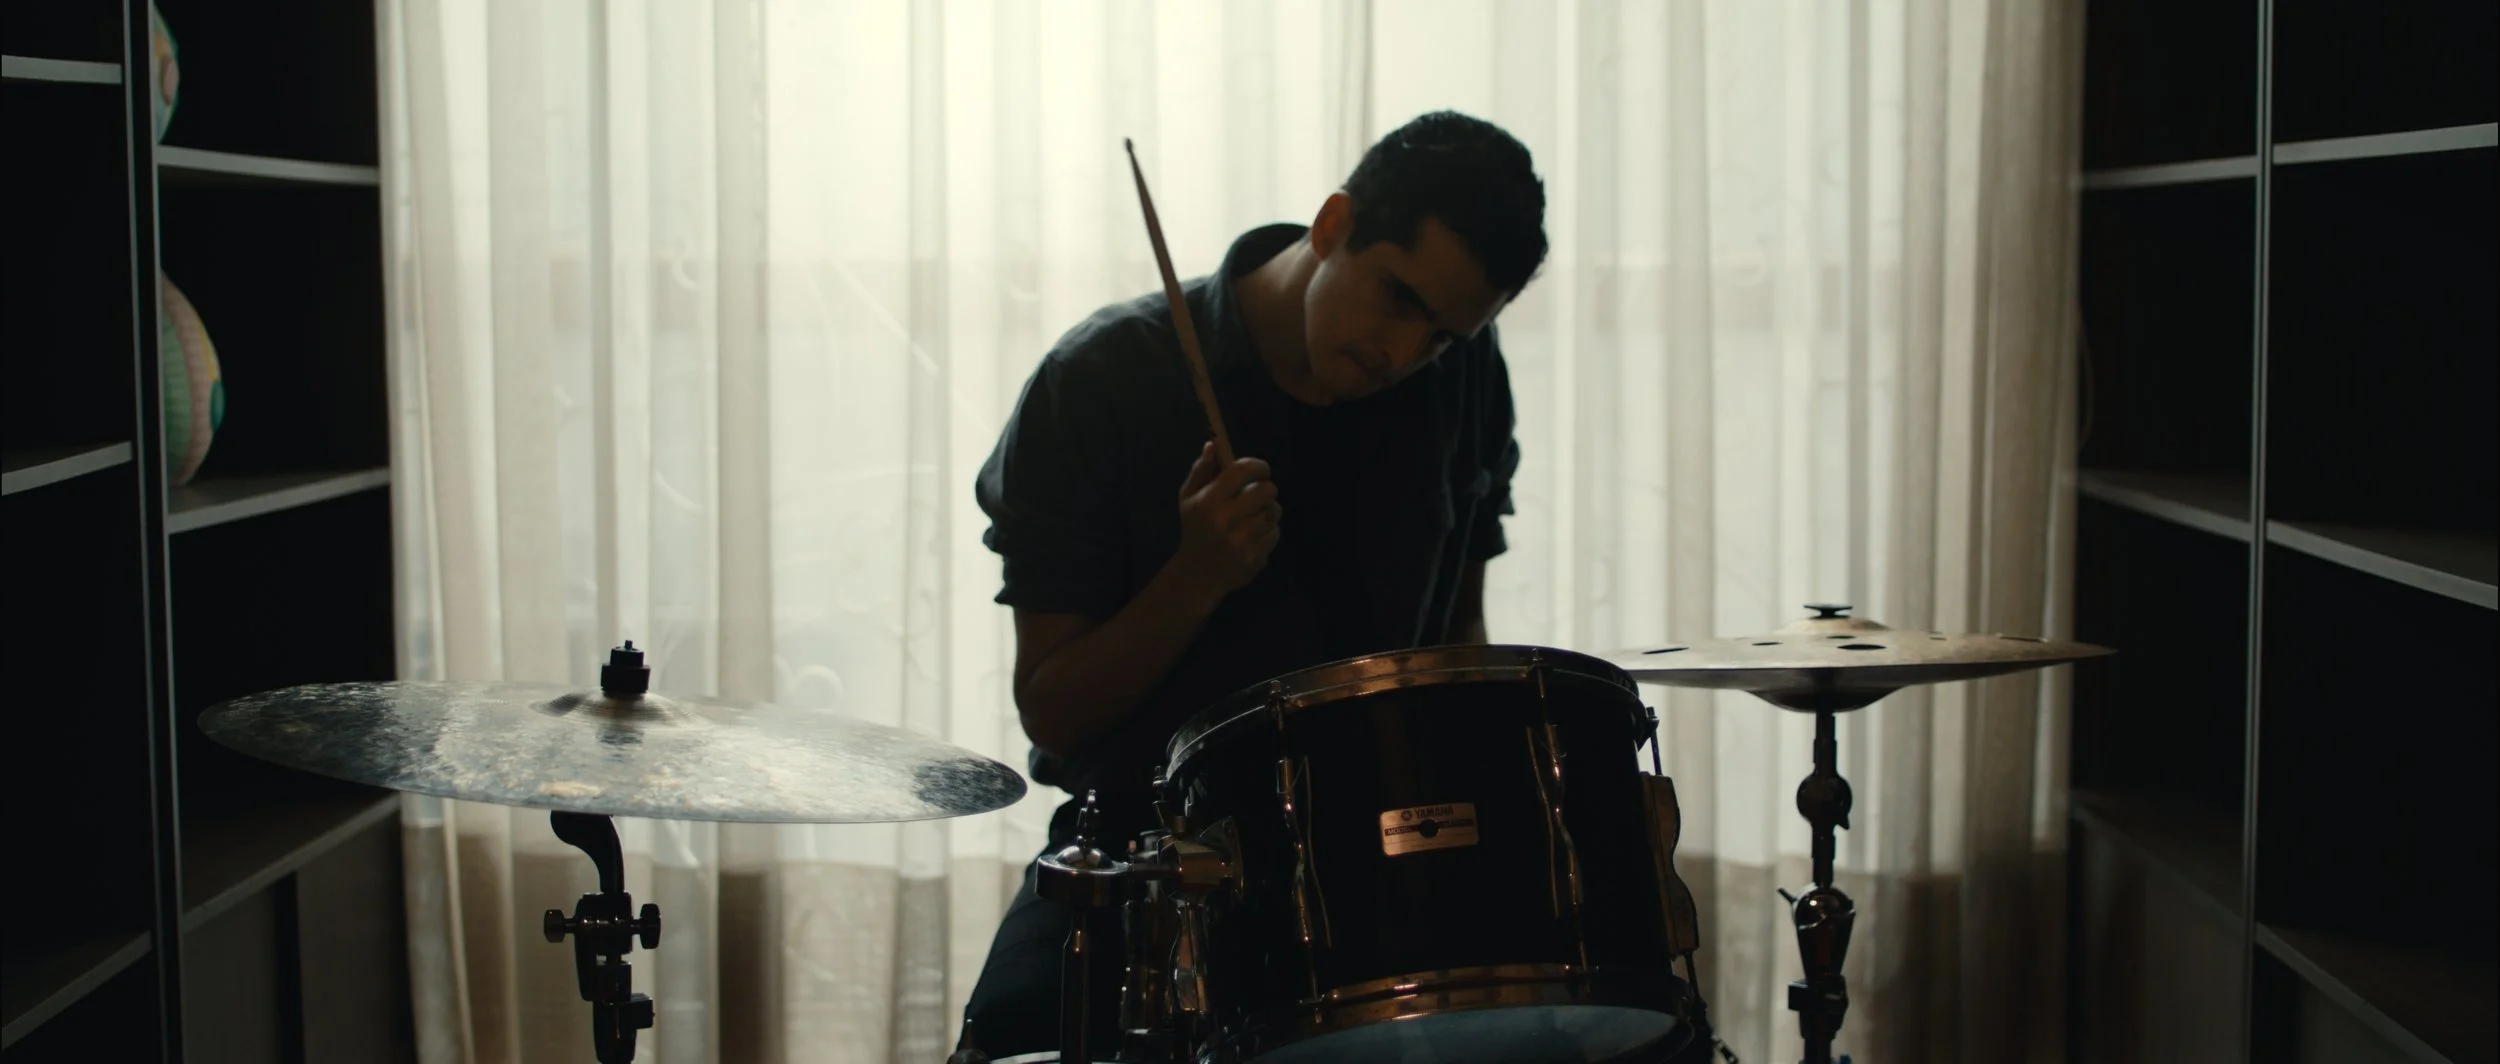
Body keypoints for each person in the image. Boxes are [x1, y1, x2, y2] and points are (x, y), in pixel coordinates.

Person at [955, 111, 1543, 1062]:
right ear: (1333, 224)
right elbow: (1054, 716)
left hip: (1385, 852)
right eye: (1398, 299)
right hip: (1150, 856)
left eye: (1441, 334)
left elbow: (1455, 644)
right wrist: (1193, 579)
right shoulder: (1100, 380)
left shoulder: (1464, 377)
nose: (1404, 353)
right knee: (1016, 1041)